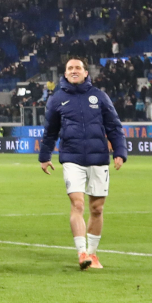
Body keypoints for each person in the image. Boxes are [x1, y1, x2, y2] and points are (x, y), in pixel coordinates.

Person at [39, 56, 128, 270]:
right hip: (72, 159)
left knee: (97, 208)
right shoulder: (57, 99)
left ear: (86, 73)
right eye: (70, 68)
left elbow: (114, 126)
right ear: (65, 73)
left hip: (99, 158)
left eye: (78, 67)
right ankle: (81, 253)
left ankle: (92, 254)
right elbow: (50, 131)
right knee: (77, 204)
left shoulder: (100, 97)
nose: (74, 70)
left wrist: (119, 151)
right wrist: (45, 156)